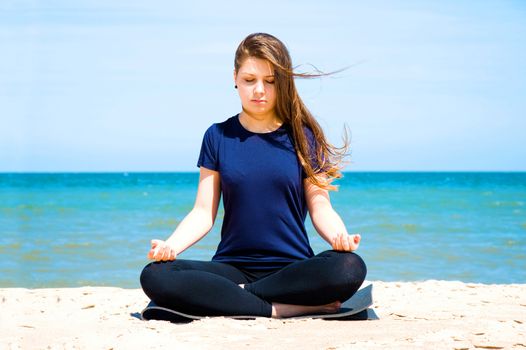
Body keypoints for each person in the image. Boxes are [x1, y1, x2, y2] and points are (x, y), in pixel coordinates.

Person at [140, 32, 367, 319]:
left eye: (270, 81)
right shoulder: (218, 136)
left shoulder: (303, 137)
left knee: (349, 267)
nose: (259, 90)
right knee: (155, 275)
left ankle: (235, 297)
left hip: (291, 270)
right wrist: (170, 246)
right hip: (231, 267)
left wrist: (340, 237)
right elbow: (202, 213)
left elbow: (321, 205)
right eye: (249, 80)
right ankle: (274, 308)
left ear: (282, 83)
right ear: (234, 77)